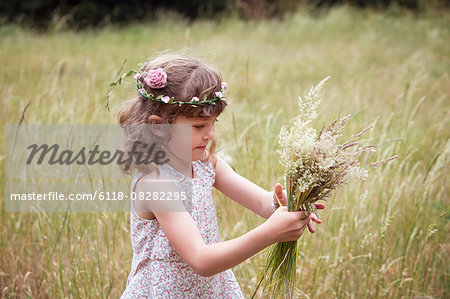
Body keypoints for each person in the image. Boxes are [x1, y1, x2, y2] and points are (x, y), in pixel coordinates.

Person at [118, 54, 325, 298]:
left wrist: (286, 205)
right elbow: (201, 259)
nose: (210, 135)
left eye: (214, 123)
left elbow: (261, 202)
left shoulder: (207, 164)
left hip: (210, 291)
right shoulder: (154, 182)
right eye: (199, 126)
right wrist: (270, 233)